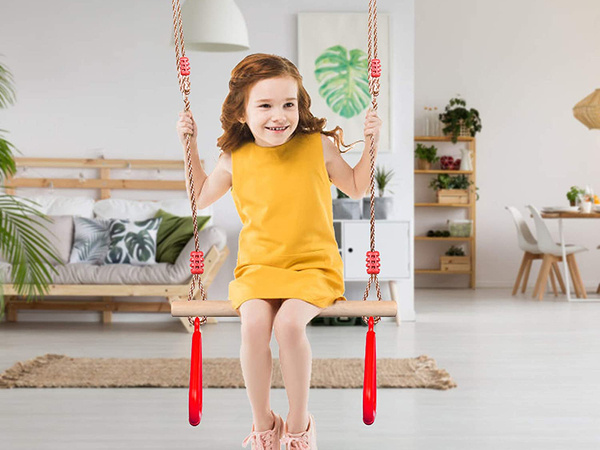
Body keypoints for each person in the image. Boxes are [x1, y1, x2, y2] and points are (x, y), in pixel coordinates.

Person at [176, 53, 382, 450]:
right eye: (265, 105)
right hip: (258, 267)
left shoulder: (316, 146)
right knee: (253, 326)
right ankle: (264, 425)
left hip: (314, 266)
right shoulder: (236, 157)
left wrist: (372, 141)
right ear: (241, 113)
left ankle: (300, 426)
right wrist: (189, 144)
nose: (279, 115)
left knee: (288, 325)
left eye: (288, 104)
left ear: (299, 105)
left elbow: (357, 187)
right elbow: (200, 197)